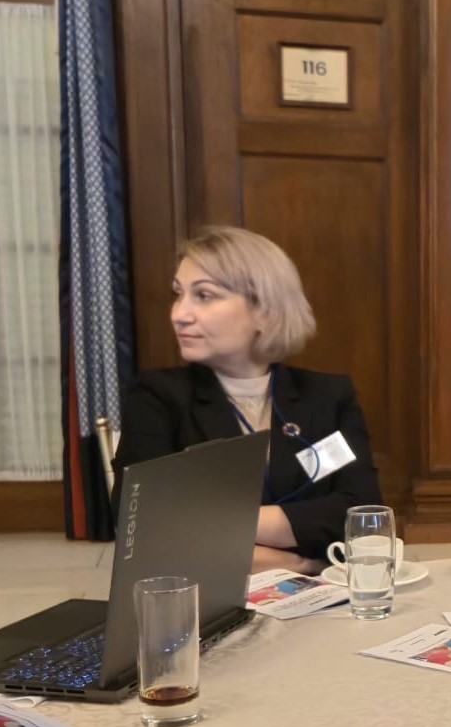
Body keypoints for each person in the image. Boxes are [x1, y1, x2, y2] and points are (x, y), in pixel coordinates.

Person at [113, 226, 381, 574]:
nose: (179, 314)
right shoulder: (156, 397)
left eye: (204, 295)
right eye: (178, 294)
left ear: (264, 311)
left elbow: (364, 513)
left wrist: (211, 527)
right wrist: (298, 561)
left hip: (324, 599)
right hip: (211, 598)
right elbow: (144, 526)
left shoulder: (328, 396)